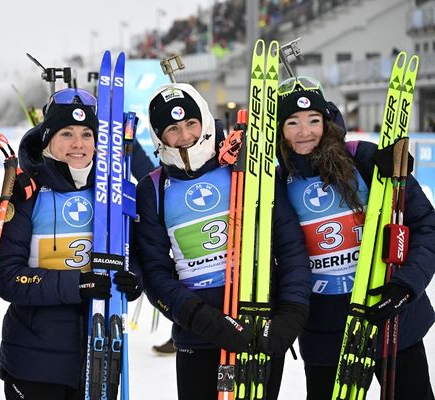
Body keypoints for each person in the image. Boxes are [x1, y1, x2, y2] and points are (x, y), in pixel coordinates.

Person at [134, 82, 312, 400]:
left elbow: (290, 248)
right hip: (197, 335)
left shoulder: (244, 168)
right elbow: (154, 271)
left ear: (204, 119)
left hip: (259, 327)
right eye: (173, 129)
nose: (186, 135)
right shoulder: (153, 188)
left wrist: (291, 313)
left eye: (191, 123)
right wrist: (199, 317)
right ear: (159, 136)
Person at [275, 76, 435, 399]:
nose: (305, 132)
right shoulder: (275, 183)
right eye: (292, 122)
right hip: (325, 332)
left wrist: (405, 286)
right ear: (279, 130)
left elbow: (426, 225)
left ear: (327, 120)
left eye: (313, 120)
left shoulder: (362, 158)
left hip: (391, 319)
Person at [0, 88, 141, 400]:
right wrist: (78, 284)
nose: (79, 144)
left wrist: (132, 279)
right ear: (48, 139)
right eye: (67, 133)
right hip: (34, 362)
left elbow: (130, 255)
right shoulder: (24, 191)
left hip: (100, 352)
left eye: (87, 134)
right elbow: (7, 277)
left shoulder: (113, 192)